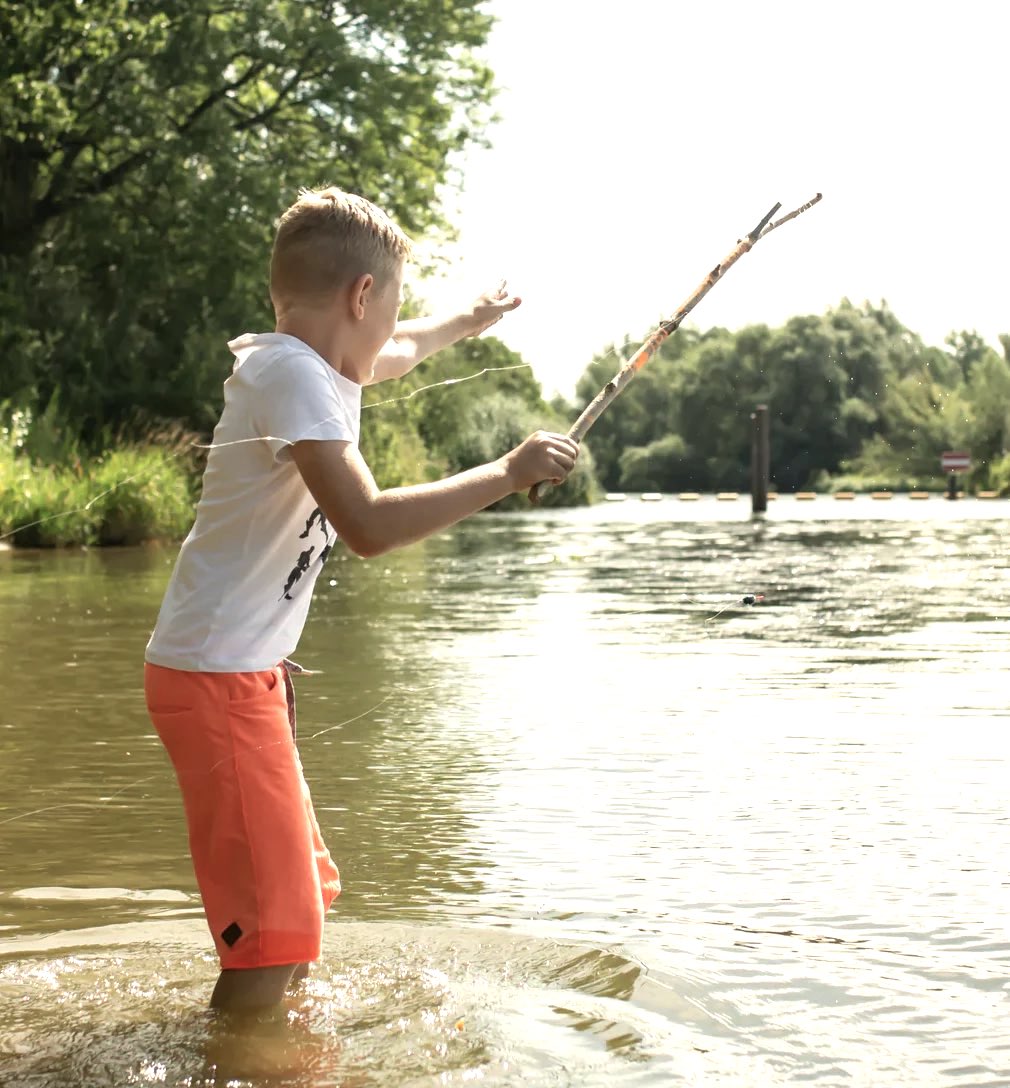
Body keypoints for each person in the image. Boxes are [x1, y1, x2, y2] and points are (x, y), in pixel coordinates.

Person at [143, 186, 579, 1011]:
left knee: (297, 907)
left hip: (237, 676)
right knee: (269, 944)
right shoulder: (293, 379)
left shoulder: (302, 361)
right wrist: (506, 473)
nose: (393, 330)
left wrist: (466, 321)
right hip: (217, 680)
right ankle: (242, 1063)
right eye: (392, 307)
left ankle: (272, 1046)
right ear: (362, 296)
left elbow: (403, 347)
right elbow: (369, 525)